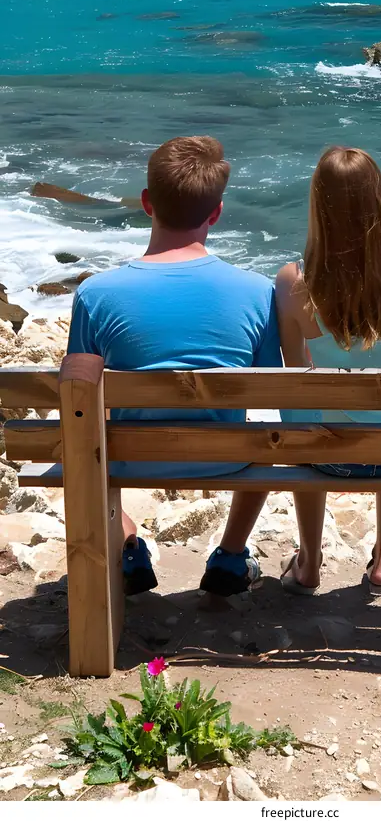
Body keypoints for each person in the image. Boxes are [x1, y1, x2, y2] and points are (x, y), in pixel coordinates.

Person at [67, 135, 281, 598]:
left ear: (147, 203)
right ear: (217, 212)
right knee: (267, 438)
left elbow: (78, 392)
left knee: (87, 439)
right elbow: (271, 392)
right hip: (228, 457)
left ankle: (128, 546)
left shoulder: (95, 294)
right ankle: (230, 555)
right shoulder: (260, 292)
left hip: (129, 459)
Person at [275, 145, 381, 597]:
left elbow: (295, 372)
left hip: (326, 453)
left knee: (300, 408)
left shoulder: (295, 280)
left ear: (317, 205)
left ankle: (309, 563)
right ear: (380, 200)